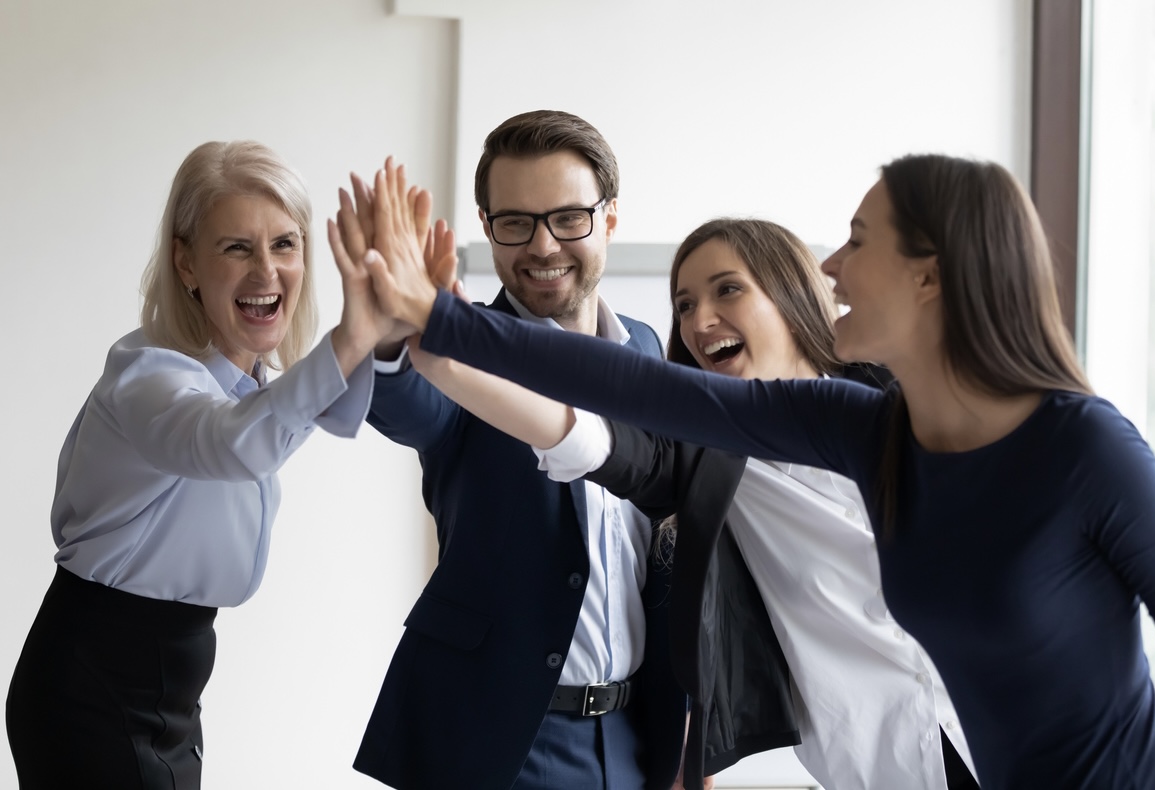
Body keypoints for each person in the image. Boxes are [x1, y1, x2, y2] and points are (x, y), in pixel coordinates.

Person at [369, 153, 1155, 790]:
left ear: (929, 274)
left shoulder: (1080, 446)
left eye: (857, 242)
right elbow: (621, 394)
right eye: (683, 304)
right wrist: (439, 326)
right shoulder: (850, 430)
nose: (832, 266)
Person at [391, 218, 979, 789]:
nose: (700, 320)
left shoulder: (905, 395)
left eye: (727, 290)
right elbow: (579, 434)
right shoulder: (703, 461)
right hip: (886, 763)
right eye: (684, 305)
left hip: (1005, 729)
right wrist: (447, 357)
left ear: (790, 292)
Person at [4, 141, 429, 789]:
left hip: (170, 682)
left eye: (284, 244)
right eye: (237, 248)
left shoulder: (249, 386)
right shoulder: (148, 376)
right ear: (186, 262)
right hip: (93, 683)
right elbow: (230, 445)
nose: (267, 271)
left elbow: (306, 415)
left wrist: (390, 323)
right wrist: (353, 335)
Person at [350, 111, 686, 790]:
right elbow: (411, 405)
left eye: (567, 218)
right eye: (515, 222)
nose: (542, 245)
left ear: (609, 219)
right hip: (503, 742)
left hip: (633, 737)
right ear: (486, 225)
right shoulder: (462, 345)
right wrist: (388, 338)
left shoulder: (650, 349)